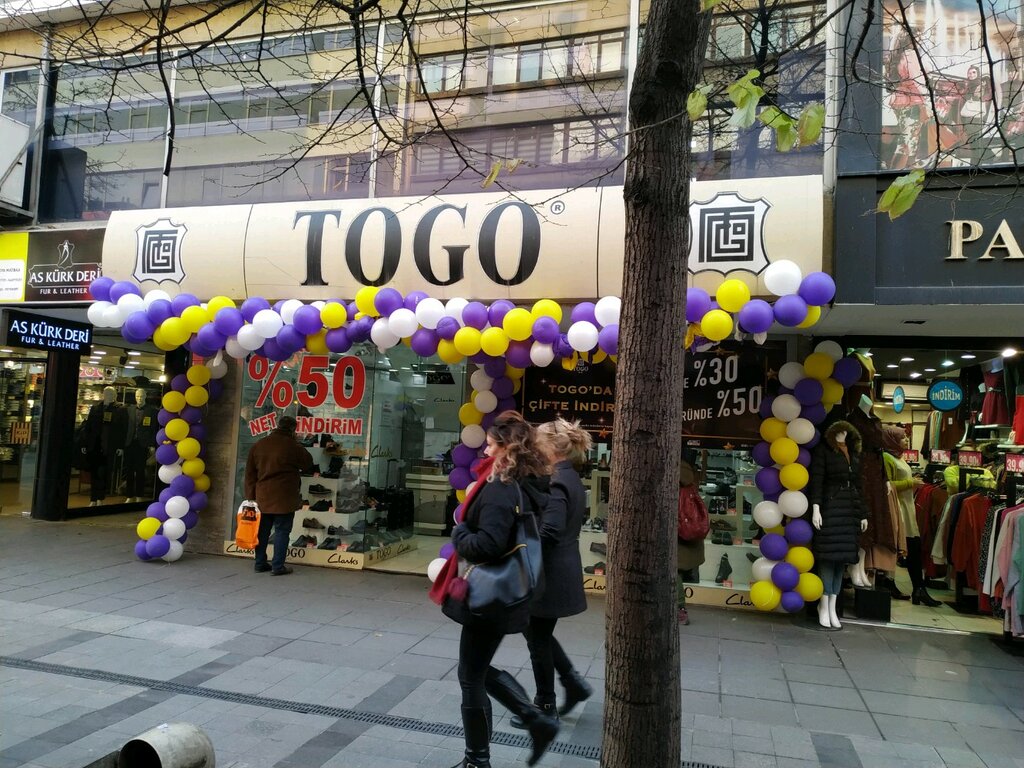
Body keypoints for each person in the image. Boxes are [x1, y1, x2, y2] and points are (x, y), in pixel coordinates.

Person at [434, 411, 559, 768]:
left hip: (489, 596)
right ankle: (518, 730)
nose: (485, 450)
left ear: (508, 449)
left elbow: (487, 544)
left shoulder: (501, 488)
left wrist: (459, 532)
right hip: (504, 594)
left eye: (490, 445)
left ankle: (485, 754)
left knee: (471, 675)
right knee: (475, 670)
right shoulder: (523, 482)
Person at [509, 418, 593, 730]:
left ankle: (545, 704)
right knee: (536, 633)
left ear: (551, 447)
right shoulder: (568, 476)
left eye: (537, 441)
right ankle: (572, 683)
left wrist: (520, 547)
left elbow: (551, 530)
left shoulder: (558, 480)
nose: (533, 445)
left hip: (550, 572)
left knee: (537, 639)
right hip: (559, 568)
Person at [809, 420, 868, 630]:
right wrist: (816, 508)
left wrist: (863, 514)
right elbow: (817, 481)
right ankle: (823, 605)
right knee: (828, 557)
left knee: (841, 559)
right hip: (830, 509)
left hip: (849, 510)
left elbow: (859, 484)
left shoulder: (853, 451)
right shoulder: (824, 451)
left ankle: (832, 606)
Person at [244, 415, 314, 575]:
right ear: (293, 429)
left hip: (262, 496)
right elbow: (308, 463)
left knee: (262, 532)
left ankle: (259, 563)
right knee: (282, 531)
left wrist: (251, 496)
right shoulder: (293, 446)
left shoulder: (259, 444)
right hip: (284, 496)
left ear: (277, 426)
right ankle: (277, 566)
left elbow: (249, 473)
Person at [881, 425, 940, 607]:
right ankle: (907, 587)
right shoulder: (886, 458)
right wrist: (910, 482)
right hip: (897, 509)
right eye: (902, 437)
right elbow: (886, 485)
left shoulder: (899, 457)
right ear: (892, 439)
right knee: (905, 548)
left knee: (913, 548)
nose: (906, 440)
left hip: (907, 508)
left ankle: (918, 589)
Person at [677, 450, 707, 625]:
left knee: (672, 570)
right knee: (677, 569)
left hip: (677, 532)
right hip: (688, 533)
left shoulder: (673, 474)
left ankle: (679, 608)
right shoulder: (691, 474)